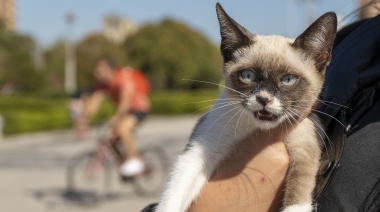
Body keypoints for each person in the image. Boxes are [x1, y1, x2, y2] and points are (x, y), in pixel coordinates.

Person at [142, 6, 380, 212]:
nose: (265, 97)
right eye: (247, 76)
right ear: (229, 55)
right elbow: (195, 161)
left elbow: (305, 163)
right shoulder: (352, 43)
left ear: (318, 62)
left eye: (288, 80)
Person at [77, 58, 151, 177]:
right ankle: (124, 164)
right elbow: (93, 104)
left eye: (99, 70)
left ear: (108, 70)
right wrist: (83, 120)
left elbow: (125, 100)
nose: (96, 73)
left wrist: (117, 117)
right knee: (110, 139)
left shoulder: (120, 79)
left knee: (122, 129)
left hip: (138, 108)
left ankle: (136, 160)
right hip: (125, 111)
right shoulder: (102, 85)